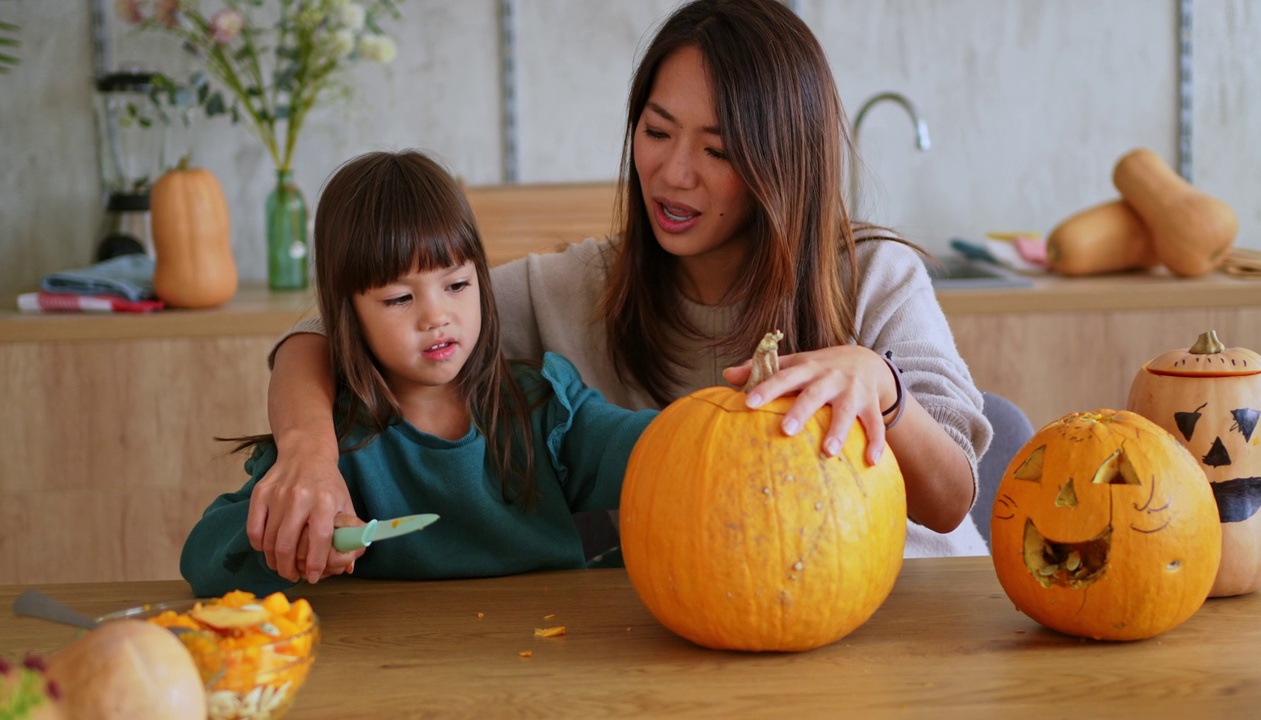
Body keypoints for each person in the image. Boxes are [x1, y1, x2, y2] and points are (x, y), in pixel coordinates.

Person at [256, 0, 994, 584]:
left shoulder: (872, 275)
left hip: (906, 611)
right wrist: (308, 456)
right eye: (656, 131)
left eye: (717, 150)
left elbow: (953, 495)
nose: (673, 174)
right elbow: (327, 331)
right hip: (687, 634)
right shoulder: (576, 288)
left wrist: (883, 385)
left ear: (785, 161)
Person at [180, 150, 657, 597]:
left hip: (544, 663)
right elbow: (202, 557)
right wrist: (293, 540)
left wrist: (720, 414)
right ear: (347, 315)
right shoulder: (334, 442)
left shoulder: (547, 408)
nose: (436, 316)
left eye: (456, 284)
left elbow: (658, 448)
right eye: (399, 299)